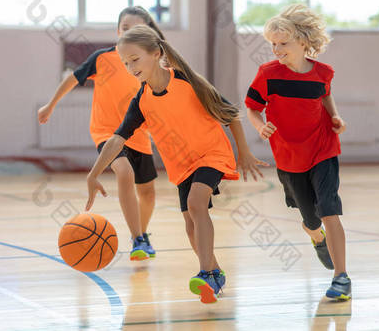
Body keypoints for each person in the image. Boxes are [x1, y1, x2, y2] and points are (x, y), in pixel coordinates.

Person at [86, 25, 268, 304]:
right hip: (181, 166)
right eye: (125, 62)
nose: (130, 67)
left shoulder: (186, 81)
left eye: (135, 59)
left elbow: (230, 113)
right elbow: (116, 139)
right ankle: (216, 271)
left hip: (211, 153)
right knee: (190, 224)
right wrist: (93, 173)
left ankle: (206, 272)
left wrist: (243, 153)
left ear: (156, 53)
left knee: (197, 204)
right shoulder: (141, 101)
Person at [244, 4, 351, 300]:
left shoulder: (323, 72)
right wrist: (259, 126)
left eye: (283, 43)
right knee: (312, 218)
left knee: (329, 208)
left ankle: (341, 277)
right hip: (289, 156)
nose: (276, 49)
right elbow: (252, 107)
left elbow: (325, 95)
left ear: (303, 42)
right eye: (273, 44)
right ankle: (317, 238)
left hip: (323, 148)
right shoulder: (267, 74)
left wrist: (335, 117)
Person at [38, 7, 162, 261]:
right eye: (125, 28)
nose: (129, 32)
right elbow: (72, 79)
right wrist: (51, 104)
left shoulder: (151, 63)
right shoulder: (102, 58)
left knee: (148, 193)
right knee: (124, 171)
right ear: (118, 31)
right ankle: (138, 237)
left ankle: (142, 235)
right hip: (107, 132)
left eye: (136, 29)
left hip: (139, 134)